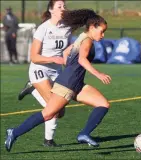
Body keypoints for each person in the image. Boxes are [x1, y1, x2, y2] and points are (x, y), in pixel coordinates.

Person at [5, 9, 111, 152]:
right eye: (101, 31)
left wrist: (70, 68)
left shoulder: (83, 36)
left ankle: (84, 134)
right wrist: (98, 74)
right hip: (67, 84)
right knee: (48, 114)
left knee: (102, 104)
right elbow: (82, 59)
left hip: (75, 83)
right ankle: (14, 132)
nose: (103, 35)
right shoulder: (87, 41)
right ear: (92, 27)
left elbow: (66, 52)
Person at [17, 0, 73, 147]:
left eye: (64, 6)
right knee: (53, 108)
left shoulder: (67, 28)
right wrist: (53, 58)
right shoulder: (43, 29)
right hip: (39, 69)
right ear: (51, 10)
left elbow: (67, 49)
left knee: (60, 112)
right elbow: (34, 57)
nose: (63, 8)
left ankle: (32, 88)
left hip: (56, 71)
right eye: (59, 6)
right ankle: (48, 140)